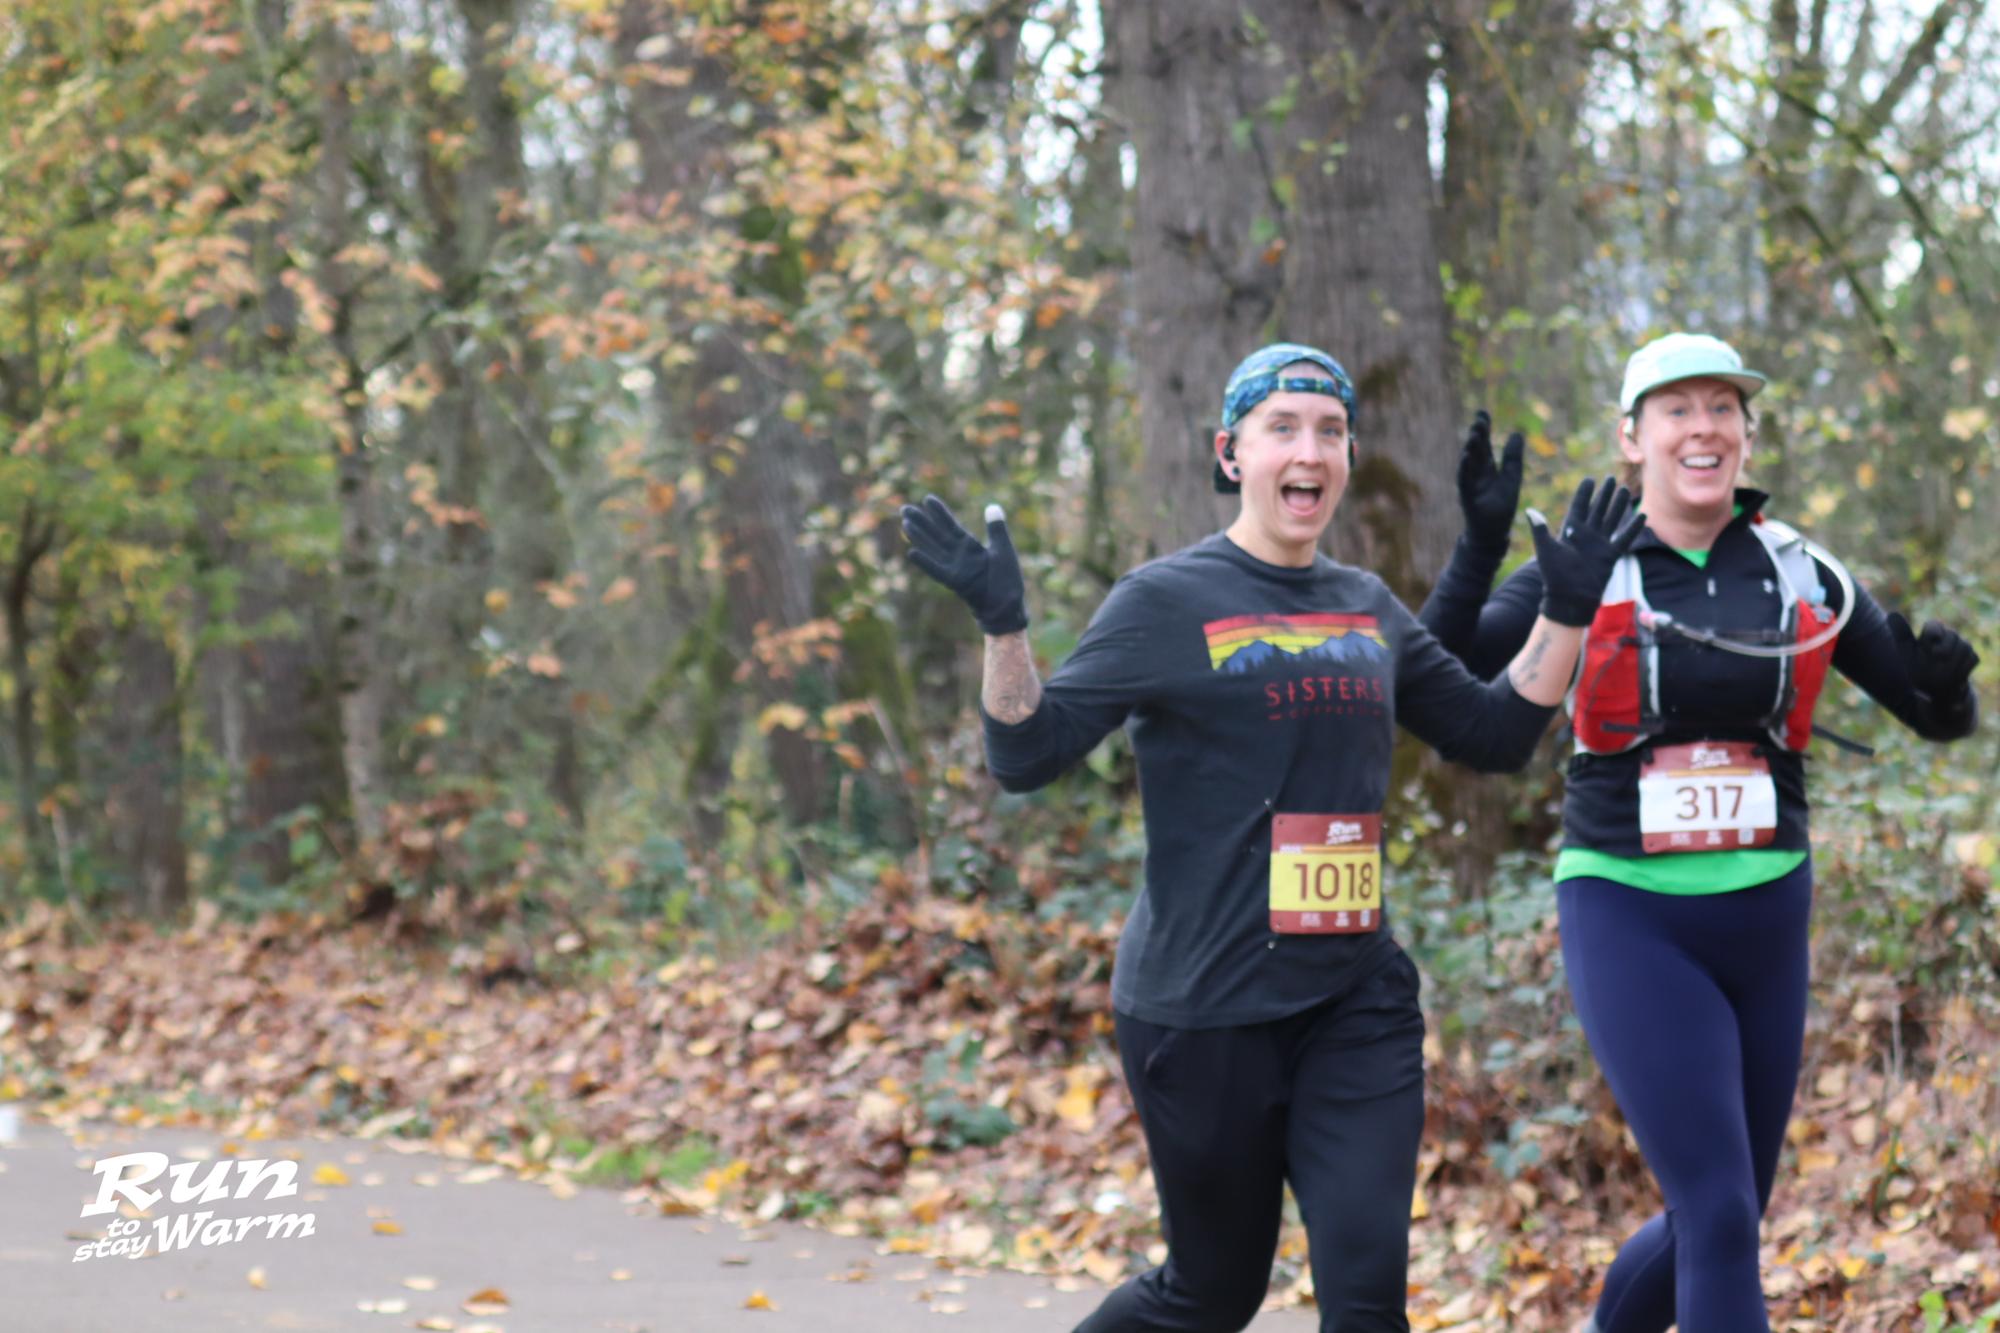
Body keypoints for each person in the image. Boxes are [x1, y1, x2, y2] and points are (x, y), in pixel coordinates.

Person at [900, 341, 1644, 1332]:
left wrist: (1565, 608)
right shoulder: (1164, 600)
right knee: (1209, 1293)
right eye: (1282, 428)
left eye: (1330, 431)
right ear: (1231, 453)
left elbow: (1493, 732)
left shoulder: (1365, 604)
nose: (1310, 450)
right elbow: (1026, 754)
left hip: (1353, 1000)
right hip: (1202, 1006)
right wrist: (1003, 626)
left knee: (1366, 1303)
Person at [1420, 332, 1981, 1333]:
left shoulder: (1798, 566)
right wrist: (1478, 547)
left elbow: (1930, 714)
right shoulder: (1586, 564)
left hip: (1767, 916)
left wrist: (1948, 684)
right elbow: (1439, 672)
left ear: (1746, 435)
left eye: (1723, 407)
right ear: (1630, 438)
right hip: (1629, 911)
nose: (1703, 428)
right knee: (1718, 1212)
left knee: (1719, 1215)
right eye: (1676, 409)